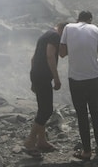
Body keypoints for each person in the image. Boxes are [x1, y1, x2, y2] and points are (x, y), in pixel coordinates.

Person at [59, 11, 98, 160]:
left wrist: (73, 47)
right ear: (90, 20)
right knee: (95, 112)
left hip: (76, 79)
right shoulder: (96, 29)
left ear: (77, 19)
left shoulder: (68, 28)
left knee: (82, 115)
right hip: (94, 78)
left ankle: (87, 151)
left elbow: (62, 53)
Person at [23, 22, 68, 158]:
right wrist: (56, 78)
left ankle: (42, 141)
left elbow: (33, 58)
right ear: (63, 30)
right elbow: (50, 56)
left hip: (37, 74)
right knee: (47, 110)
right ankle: (30, 141)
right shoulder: (55, 36)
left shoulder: (46, 34)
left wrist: (33, 79)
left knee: (42, 108)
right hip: (43, 76)